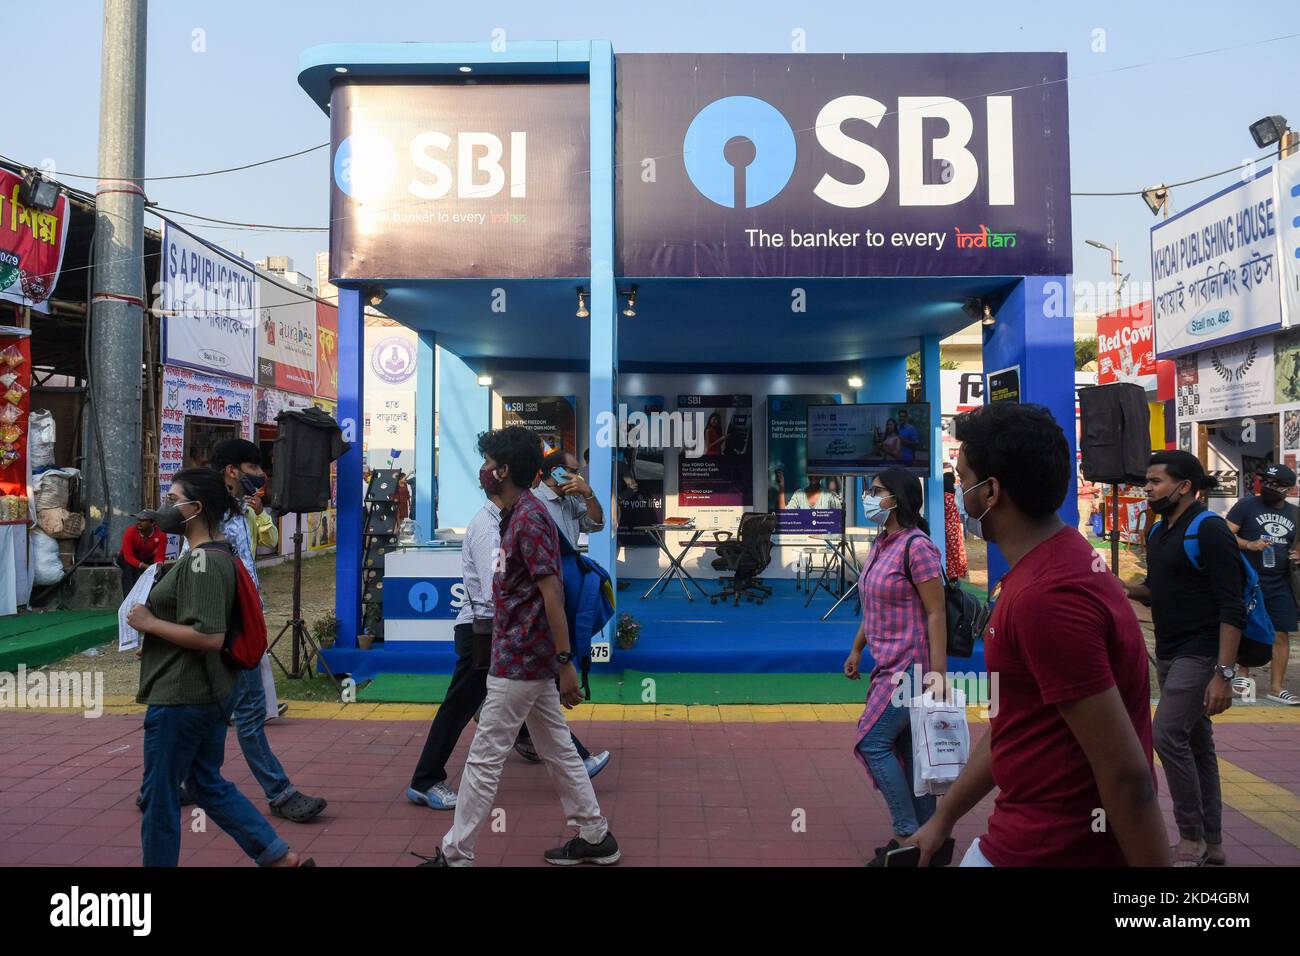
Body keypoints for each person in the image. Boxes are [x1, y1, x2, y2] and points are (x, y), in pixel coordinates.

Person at [909, 403, 1167, 867]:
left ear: (990, 492)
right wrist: (943, 818)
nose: (957, 492)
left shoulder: (1047, 599)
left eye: (960, 478)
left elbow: (1128, 778)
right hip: (1021, 838)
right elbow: (1017, 724)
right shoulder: (1056, 564)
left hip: (1047, 848)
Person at [420, 426, 620, 866]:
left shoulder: (527, 518)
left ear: (505, 470)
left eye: (490, 464)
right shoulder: (518, 513)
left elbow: (551, 592)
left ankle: (456, 854)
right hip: (526, 657)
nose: (484, 471)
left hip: (521, 659)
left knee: (485, 757)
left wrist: (565, 663)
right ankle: (595, 836)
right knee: (558, 750)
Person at [128, 468, 311, 868]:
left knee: (160, 796)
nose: (166, 507)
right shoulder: (207, 556)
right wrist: (158, 640)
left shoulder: (203, 563)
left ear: (195, 509)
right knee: (206, 783)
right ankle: (275, 855)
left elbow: (209, 637)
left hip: (183, 696)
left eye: (173, 499)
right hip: (202, 693)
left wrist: (150, 623)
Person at [1127, 451, 1245, 866]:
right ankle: (1212, 841)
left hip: (1202, 651)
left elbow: (1233, 605)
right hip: (1170, 650)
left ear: (1182, 486)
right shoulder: (1160, 532)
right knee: (1197, 743)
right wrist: (1119, 586)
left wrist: (1224, 674)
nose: (1147, 488)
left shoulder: (1209, 529)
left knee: (1167, 734)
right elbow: (1157, 588)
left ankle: (1190, 836)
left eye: (1155, 481)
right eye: (1146, 480)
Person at [204, 439, 326, 821]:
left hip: (246, 626)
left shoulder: (242, 513)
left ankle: (175, 783)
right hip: (227, 630)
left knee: (212, 716)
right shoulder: (209, 518)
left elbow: (257, 557)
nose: (260, 476)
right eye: (253, 467)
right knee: (247, 716)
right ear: (231, 471)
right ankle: (280, 792)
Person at [844, 467, 948, 865]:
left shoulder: (917, 547)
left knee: (871, 741)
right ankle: (931, 845)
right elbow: (871, 605)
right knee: (906, 753)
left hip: (912, 668)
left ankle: (905, 835)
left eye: (875, 491)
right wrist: (856, 649)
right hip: (885, 665)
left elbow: (935, 612)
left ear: (897, 498)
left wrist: (937, 673)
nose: (869, 497)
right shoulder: (882, 543)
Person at [524, 445, 611, 776]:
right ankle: (574, 759)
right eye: (571, 471)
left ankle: (517, 730)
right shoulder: (535, 504)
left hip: (568, 583)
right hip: (546, 586)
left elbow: (598, 523)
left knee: (525, 690)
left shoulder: (572, 500)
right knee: (539, 680)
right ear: (552, 473)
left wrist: (588, 493)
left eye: (579, 472)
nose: (577, 477)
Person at [1227, 464, 1300, 705]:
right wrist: (1249, 544)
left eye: (1274, 484)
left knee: (1281, 632)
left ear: (1288, 488)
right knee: (1247, 629)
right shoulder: (1246, 505)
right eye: (1265, 481)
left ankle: (1277, 688)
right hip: (1248, 581)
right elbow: (1225, 535)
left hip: (1281, 583)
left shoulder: (1295, 513)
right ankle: (1242, 678)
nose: (1268, 487)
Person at [535, 448, 604, 547]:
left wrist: (588, 493)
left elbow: (594, 524)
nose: (577, 478)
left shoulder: (570, 501)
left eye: (577, 472)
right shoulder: (535, 502)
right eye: (573, 471)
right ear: (556, 472)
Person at [117, 511, 167, 595]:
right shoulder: (130, 531)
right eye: (138, 519)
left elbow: (160, 556)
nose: (139, 522)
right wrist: (143, 565)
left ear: (152, 523)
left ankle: (152, 600)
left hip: (146, 557)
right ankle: (128, 602)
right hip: (127, 557)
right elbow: (128, 556)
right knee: (129, 570)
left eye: (143, 520)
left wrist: (158, 565)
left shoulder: (161, 534)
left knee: (161, 571)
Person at [942, 471, 968, 579]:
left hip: (946, 527)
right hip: (956, 527)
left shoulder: (943, 497)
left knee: (949, 552)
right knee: (958, 550)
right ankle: (960, 571)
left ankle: (951, 574)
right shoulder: (955, 496)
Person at [775, 470, 843, 510]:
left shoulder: (828, 496)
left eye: (816, 472)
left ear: (822, 476)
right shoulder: (799, 495)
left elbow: (838, 517)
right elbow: (785, 516)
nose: (813, 475)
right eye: (811, 471)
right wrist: (781, 487)